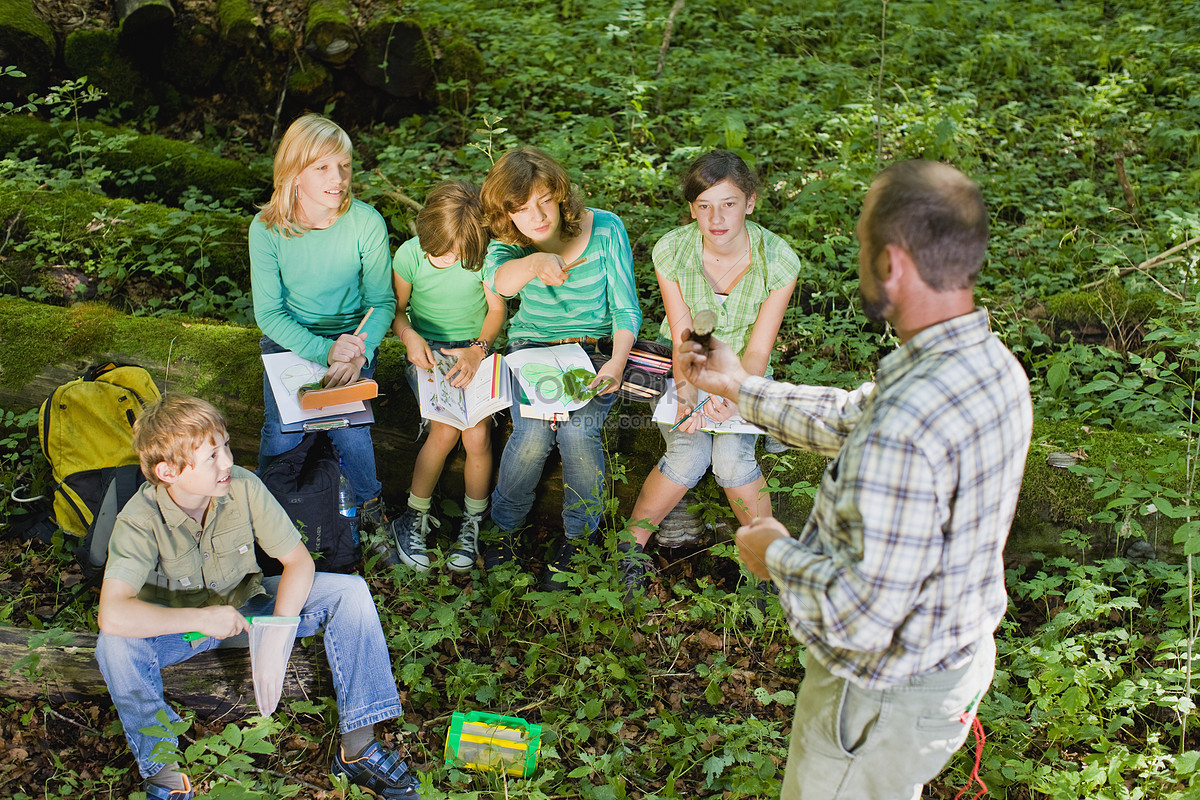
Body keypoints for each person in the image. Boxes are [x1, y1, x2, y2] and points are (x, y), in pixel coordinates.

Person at [677, 160, 1033, 799]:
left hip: (878, 697)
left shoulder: (910, 423)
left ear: (892, 263)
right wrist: (738, 386)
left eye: (864, 248)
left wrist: (772, 554)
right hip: (947, 663)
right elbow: (852, 416)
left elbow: (861, 616)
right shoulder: (989, 364)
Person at [95, 395, 422, 800]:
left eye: (226, 446)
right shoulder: (139, 520)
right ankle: (163, 773)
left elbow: (298, 563)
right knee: (114, 646)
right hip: (181, 630)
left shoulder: (243, 486)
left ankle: (359, 747)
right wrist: (201, 620)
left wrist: (279, 632)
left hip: (250, 607)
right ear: (169, 471)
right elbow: (112, 615)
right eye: (212, 456)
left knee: (350, 591)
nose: (228, 461)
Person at [621, 151, 800, 594]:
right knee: (688, 450)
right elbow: (684, 335)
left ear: (750, 202)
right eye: (704, 205)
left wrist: (732, 393)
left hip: (746, 371)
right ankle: (628, 552)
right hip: (688, 367)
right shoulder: (673, 250)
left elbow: (759, 348)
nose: (716, 218)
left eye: (728, 203)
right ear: (691, 209)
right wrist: (687, 396)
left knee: (731, 457)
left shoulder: (778, 261)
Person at [479, 146, 642, 589]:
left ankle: (579, 539)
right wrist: (534, 262)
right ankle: (504, 528)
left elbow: (627, 309)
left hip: (594, 351)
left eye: (544, 200)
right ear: (506, 213)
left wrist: (617, 362)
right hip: (532, 349)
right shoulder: (509, 244)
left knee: (577, 430)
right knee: (532, 433)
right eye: (521, 208)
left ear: (561, 194)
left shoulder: (605, 227)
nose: (536, 216)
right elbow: (499, 284)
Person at [249, 113, 396, 535]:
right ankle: (266, 506)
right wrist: (323, 350)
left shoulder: (365, 222)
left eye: (344, 166)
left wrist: (357, 352)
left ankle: (369, 508)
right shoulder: (267, 229)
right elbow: (270, 313)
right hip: (291, 340)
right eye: (323, 167)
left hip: (354, 339)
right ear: (294, 173)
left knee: (351, 430)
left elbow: (381, 302)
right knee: (282, 429)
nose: (339, 178)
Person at [390, 180, 506, 572]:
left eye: (459, 252)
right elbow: (397, 311)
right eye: (443, 252)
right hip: (428, 350)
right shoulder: (409, 256)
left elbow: (494, 312)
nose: (452, 258)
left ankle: (474, 520)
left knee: (476, 433)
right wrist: (409, 337)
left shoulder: (485, 256)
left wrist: (479, 349)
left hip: (474, 350)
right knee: (444, 430)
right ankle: (413, 515)